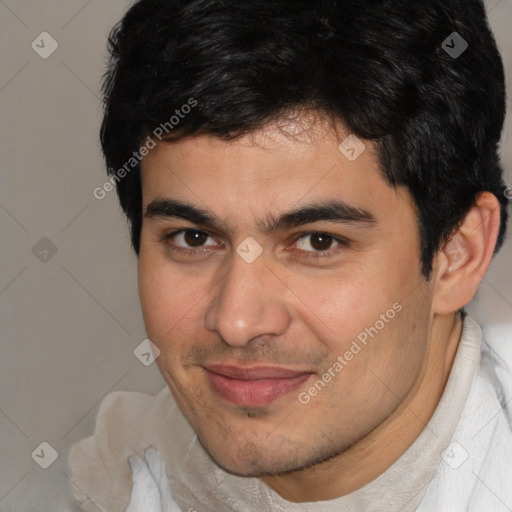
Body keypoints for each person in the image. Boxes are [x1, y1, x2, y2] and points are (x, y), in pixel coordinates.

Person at [68, 0, 512, 510]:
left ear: (457, 253)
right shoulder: (117, 477)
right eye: (193, 238)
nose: (237, 321)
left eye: (317, 242)